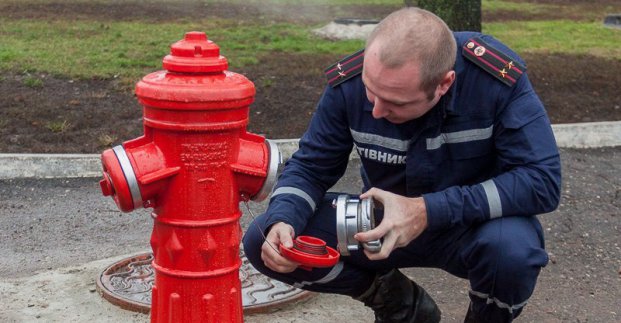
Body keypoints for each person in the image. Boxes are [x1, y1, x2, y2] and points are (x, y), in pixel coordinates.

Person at [243, 7, 561, 323]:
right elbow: (311, 167)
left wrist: (426, 210)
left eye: (396, 102)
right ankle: (399, 304)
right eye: (371, 91)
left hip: (472, 225)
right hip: (383, 226)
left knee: (513, 255)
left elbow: (541, 180)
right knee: (264, 240)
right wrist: (283, 220)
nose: (377, 110)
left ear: (444, 84)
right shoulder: (353, 80)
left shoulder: (494, 81)